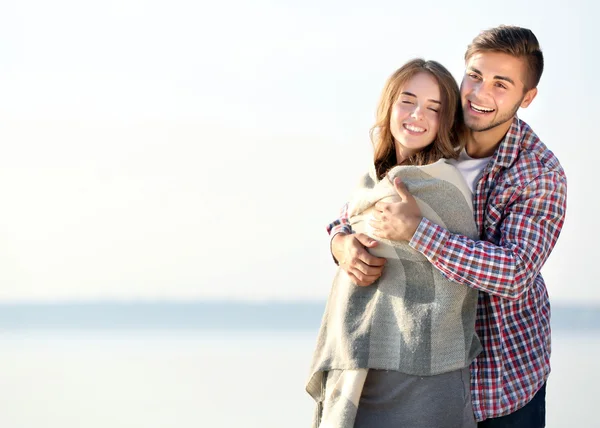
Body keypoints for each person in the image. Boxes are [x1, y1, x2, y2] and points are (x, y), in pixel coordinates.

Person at [328, 25, 567, 427]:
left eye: (500, 84)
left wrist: (417, 232)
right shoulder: (434, 128)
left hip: (502, 380)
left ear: (527, 97)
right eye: (474, 75)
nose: (479, 93)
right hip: (423, 378)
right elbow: (368, 196)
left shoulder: (539, 174)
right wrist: (341, 242)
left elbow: (514, 271)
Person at [307, 58, 480, 428]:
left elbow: (459, 271)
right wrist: (341, 241)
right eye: (408, 100)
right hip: (366, 365)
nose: (418, 114)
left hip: (422, 372)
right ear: (388, 105)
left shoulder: (439, 183)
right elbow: (351, 220)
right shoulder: (374, 178)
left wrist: (349, 236)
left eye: (434, 108)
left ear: (446, 122)